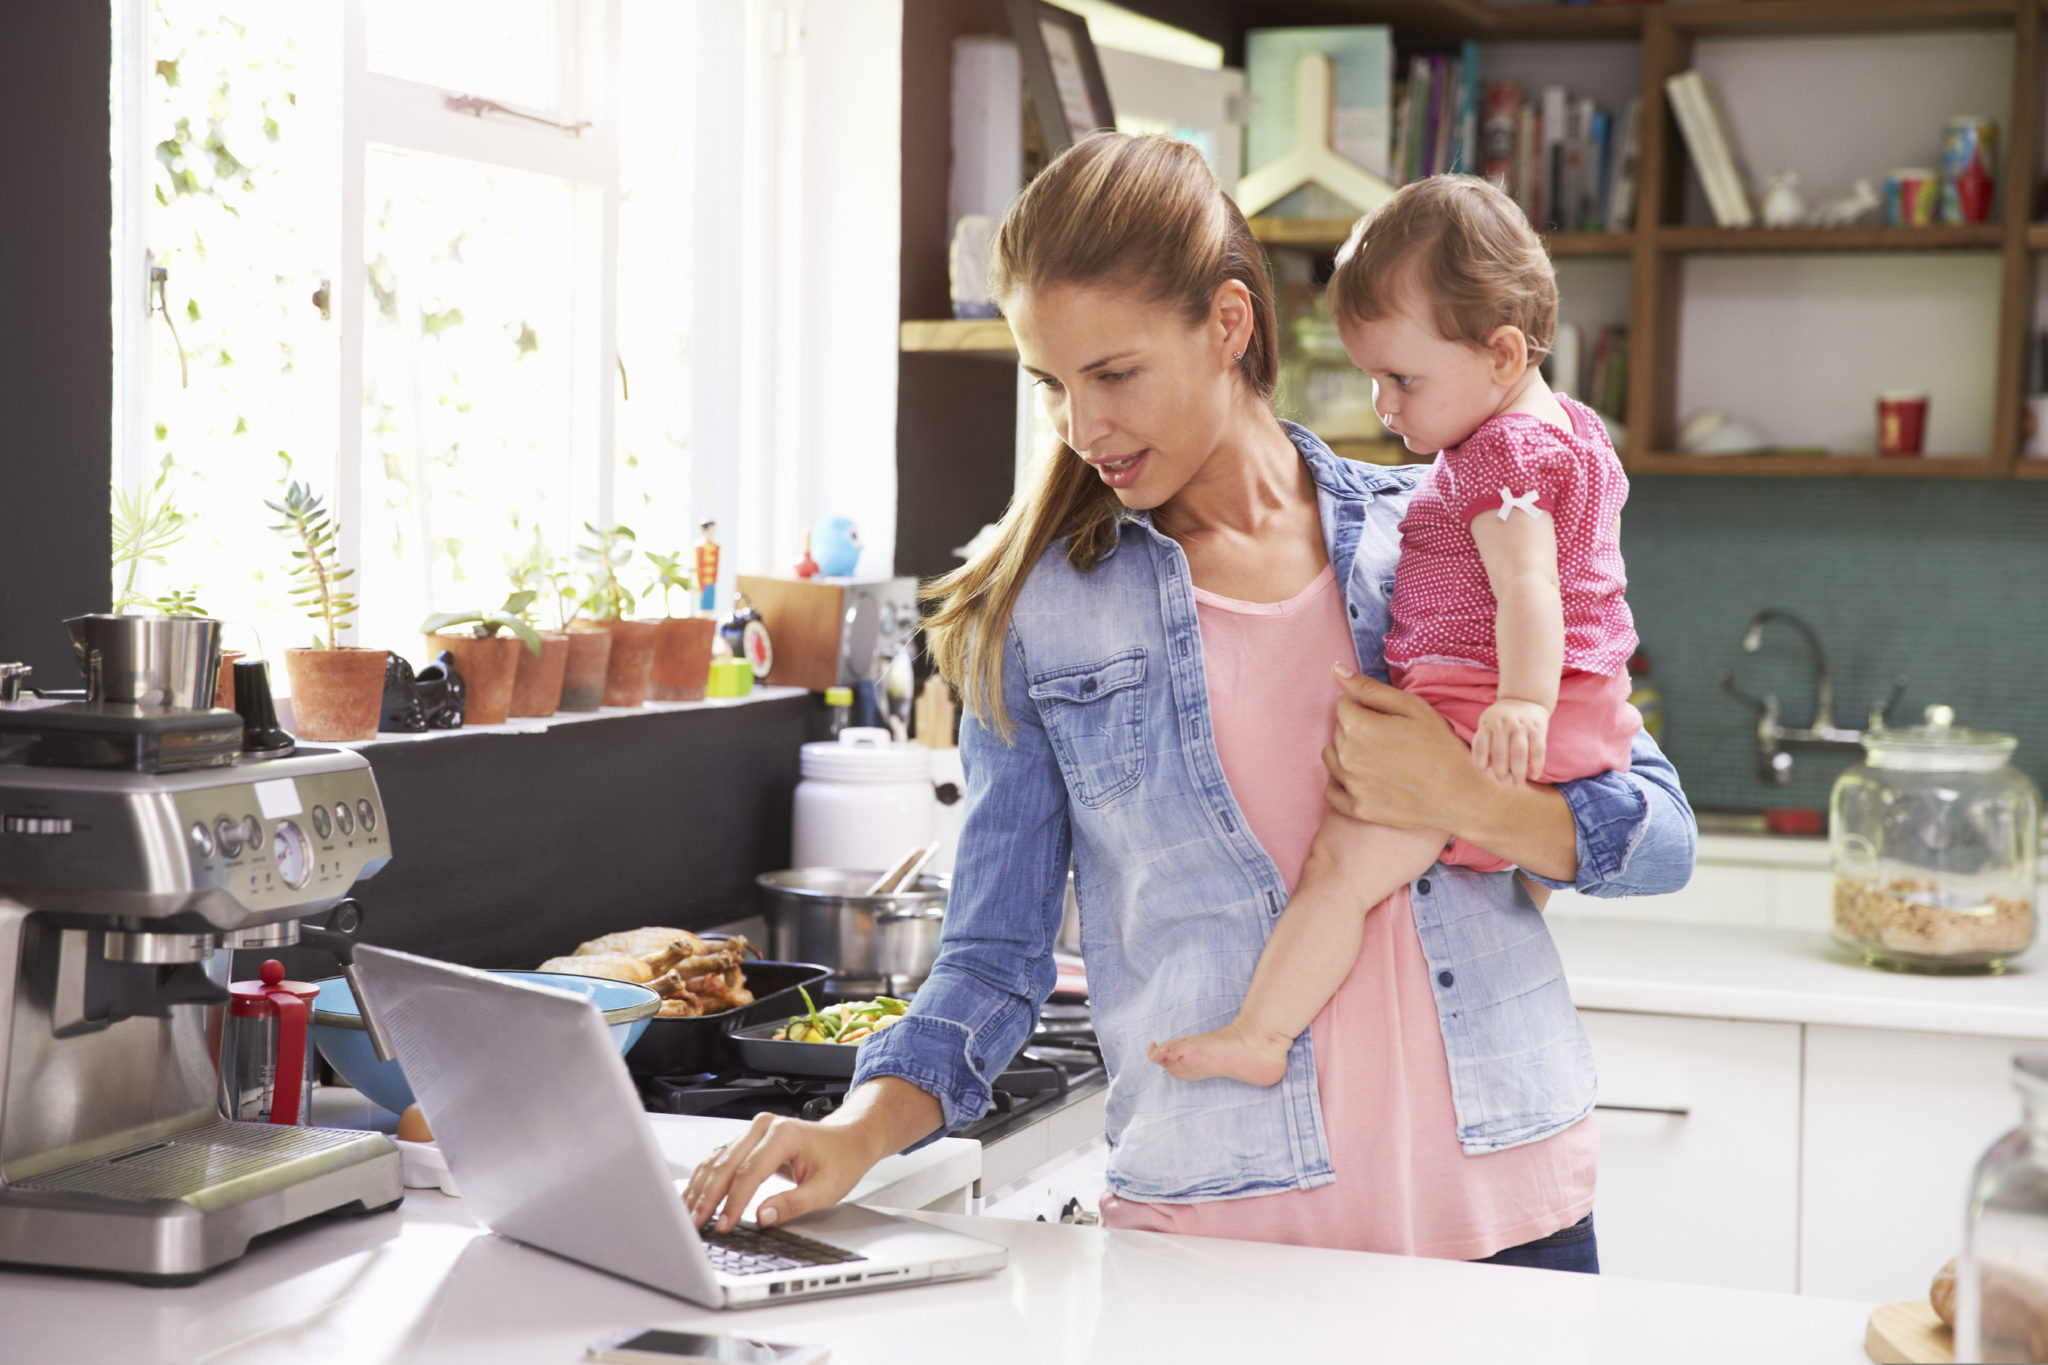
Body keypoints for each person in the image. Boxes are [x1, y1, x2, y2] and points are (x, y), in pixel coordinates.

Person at [686, 133, 1695, 1271]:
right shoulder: (1032, 619)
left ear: (1227, 323)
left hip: (1512, 1212)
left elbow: (1659, 839)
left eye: (1112, 375)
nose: (1081, 426)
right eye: (1051, 385)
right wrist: (856, 1131)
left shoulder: (1445, 526)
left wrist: (1470, 799)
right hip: (1223, 1241)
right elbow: (991, 957)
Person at [1149, 175, 1639, 1088]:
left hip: (1486, 706)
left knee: (1341, 866)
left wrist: (1521, 705)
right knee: (1504, 888)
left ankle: (1262, 1033)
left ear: (1501, 355)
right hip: (1584, 707)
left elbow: (1531, 589)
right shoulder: (1572, 428)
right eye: (1375, 378)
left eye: (1403, 378)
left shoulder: (1500, 457)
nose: (1384, 405)